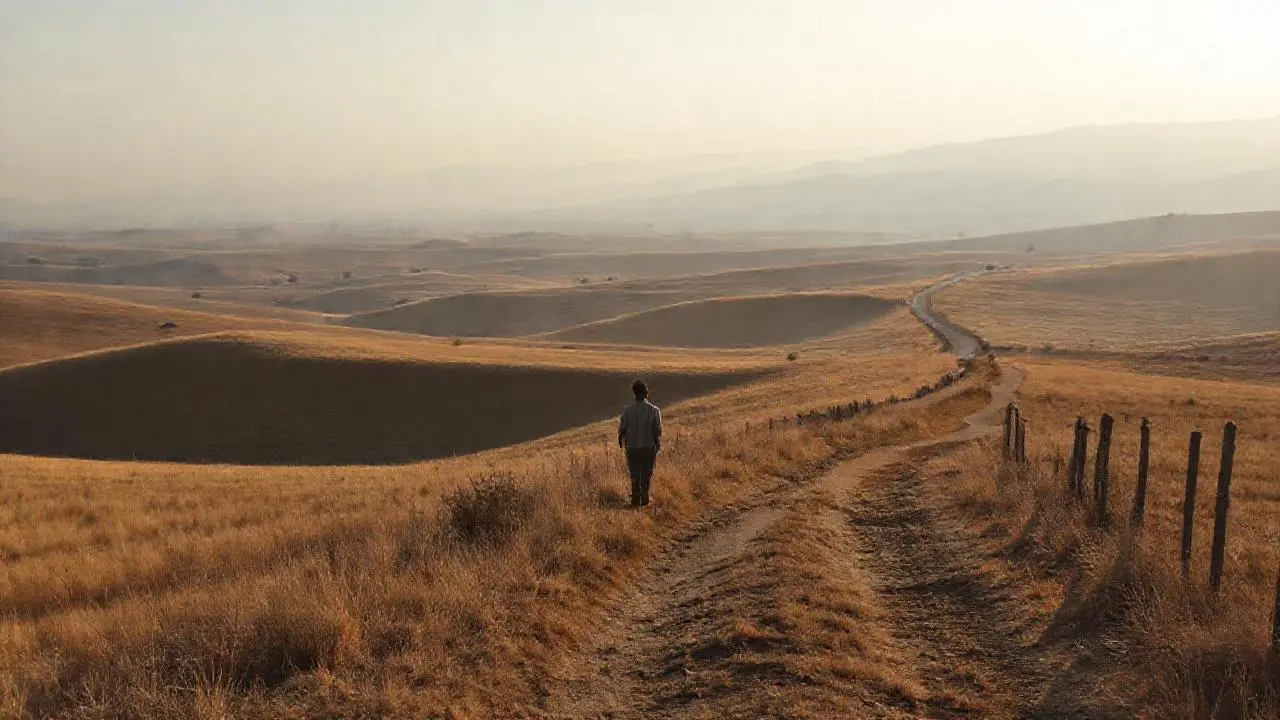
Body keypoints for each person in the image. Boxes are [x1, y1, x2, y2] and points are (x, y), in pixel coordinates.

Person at [618, 379, 662, 507]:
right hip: (648, 447)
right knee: (647, 473)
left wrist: (622, 441)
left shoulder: (627, 410)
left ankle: (635, 498)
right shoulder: (654, 410)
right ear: (646, 393)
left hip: (632, 447)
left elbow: (622, 429)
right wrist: (657, 443)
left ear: (634, 393)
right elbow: (657, 430)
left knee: (635, 474)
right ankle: (645, 498)